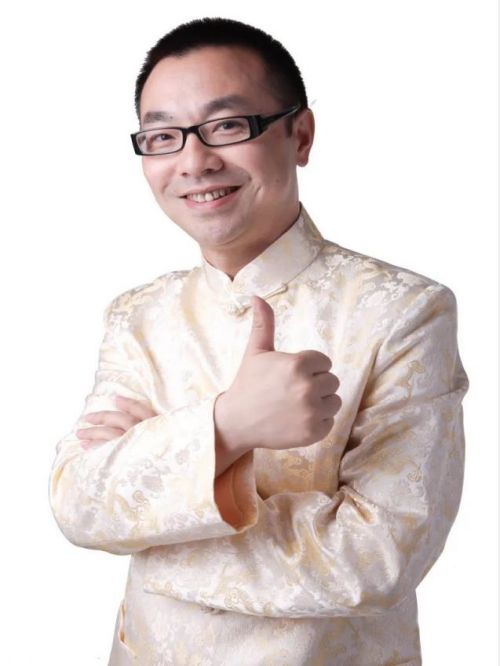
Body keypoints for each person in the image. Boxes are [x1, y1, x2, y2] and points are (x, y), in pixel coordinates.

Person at [48, 16, 469, 666]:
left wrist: (151, 536)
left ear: (300, 135)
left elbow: (377, 560)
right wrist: (228, 427)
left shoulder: (403, 311)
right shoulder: (137, 314)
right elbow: (78, 502)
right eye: (163, 136)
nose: (194, 161)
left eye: (226, 126)